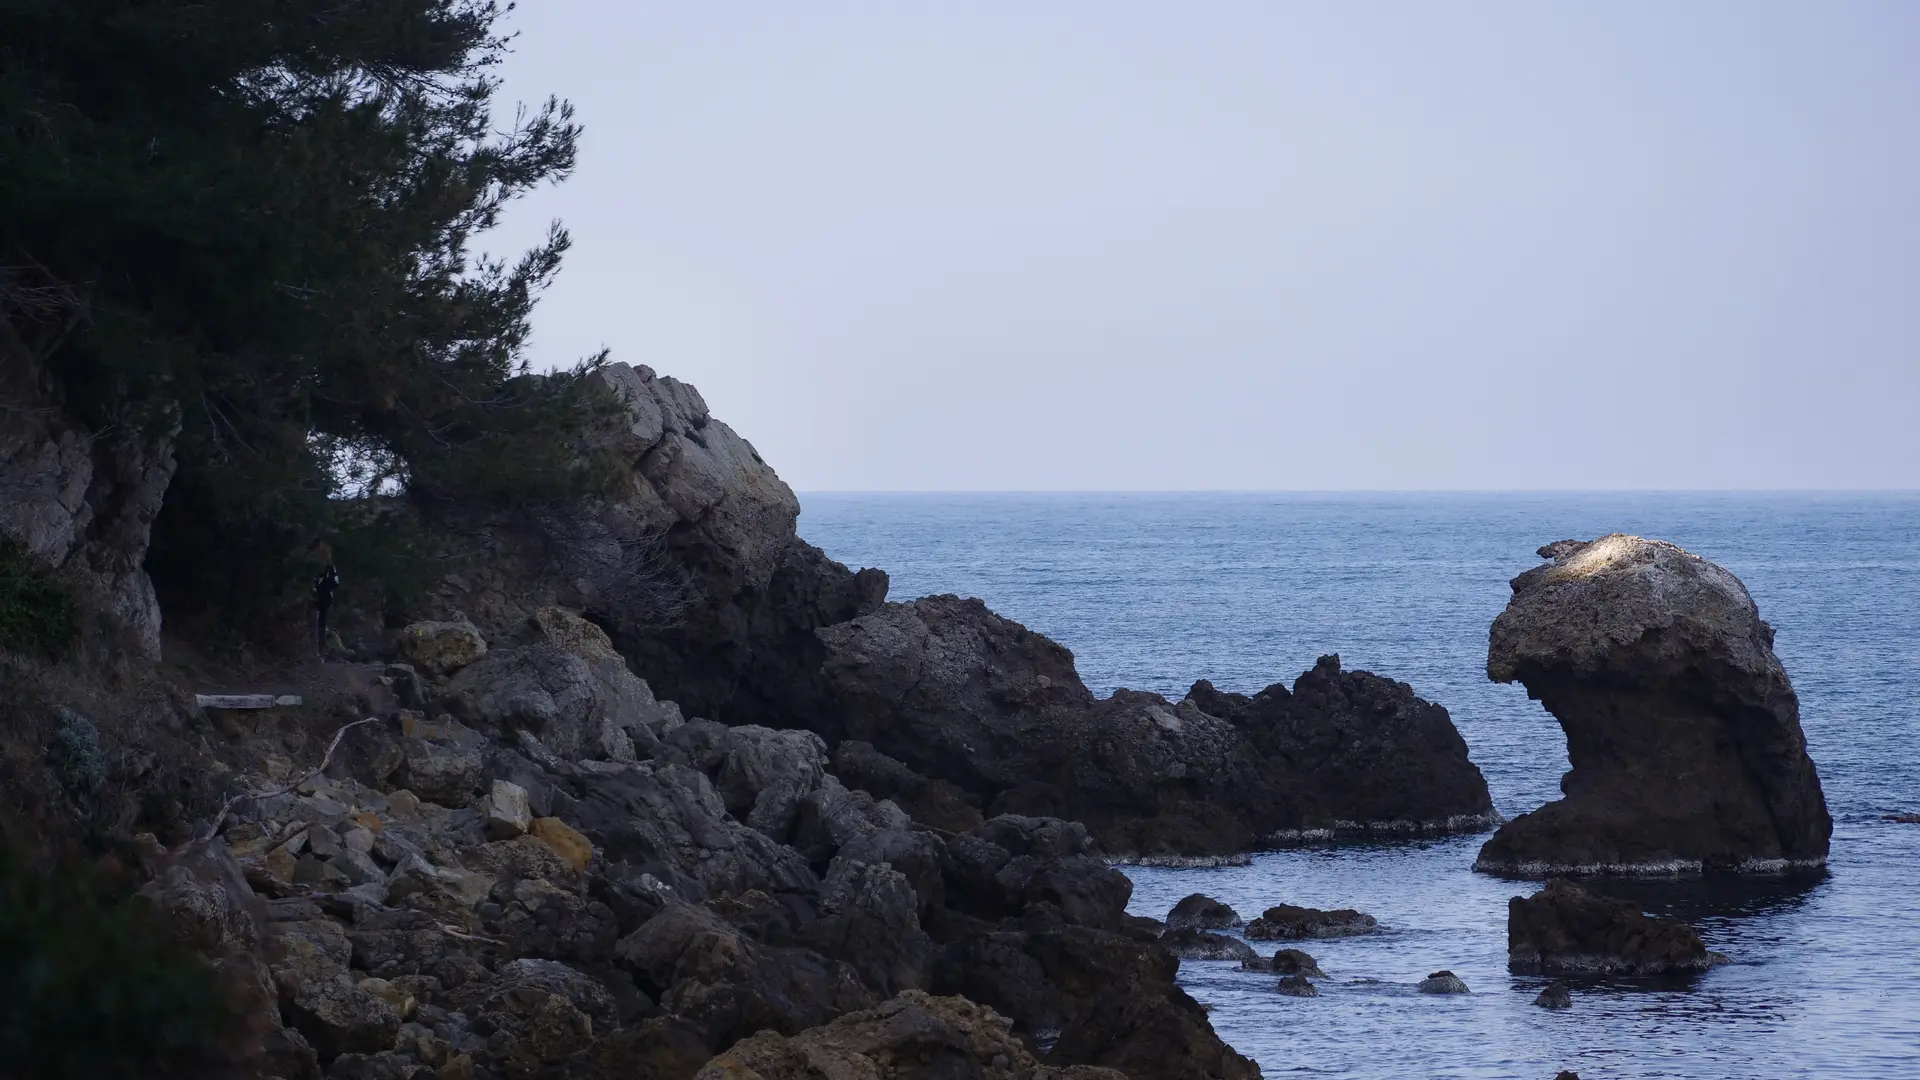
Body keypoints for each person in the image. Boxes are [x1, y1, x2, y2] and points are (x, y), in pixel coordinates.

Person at [313, 558, 340, 656]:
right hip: (312, 599)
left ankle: (321, 647)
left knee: (321, 622)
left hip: (324, 599)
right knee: (312, 622)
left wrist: (325, 585)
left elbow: (335, 582)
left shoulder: (330, 568)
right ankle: (314, 647)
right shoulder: (311, 567)